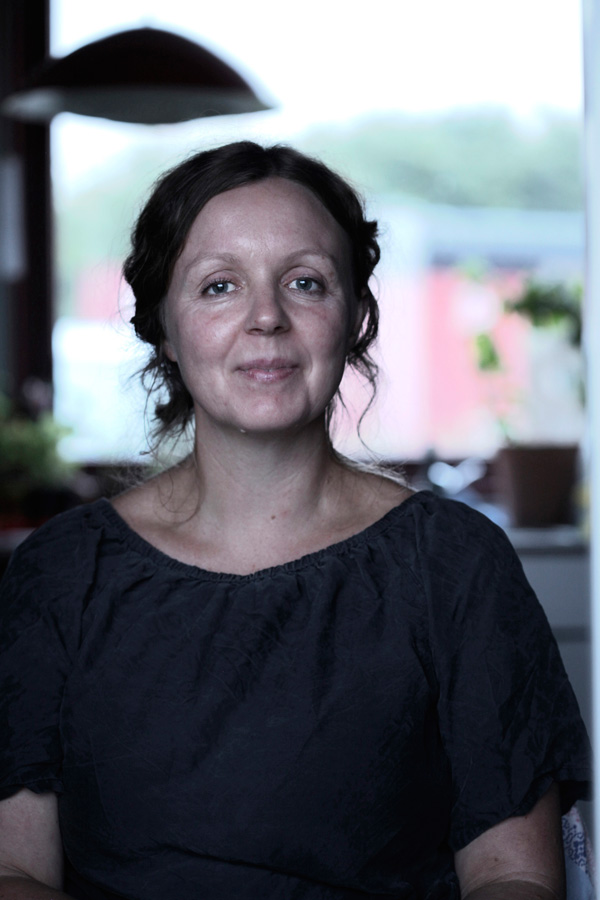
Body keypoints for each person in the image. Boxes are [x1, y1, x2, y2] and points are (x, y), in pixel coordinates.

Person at [0, 141, 592, 900]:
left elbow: (516, 879)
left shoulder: (456, 564)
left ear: (354, 317)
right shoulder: (59, 574)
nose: (267, 318)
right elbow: (13, 870)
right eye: (219, 286)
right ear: (164, 329)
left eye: (305, 282)